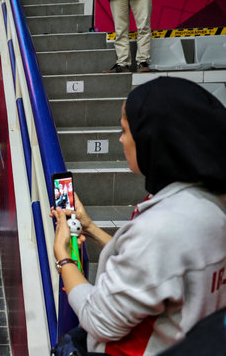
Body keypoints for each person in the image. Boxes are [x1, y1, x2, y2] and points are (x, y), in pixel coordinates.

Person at [51, 76, 226, 355]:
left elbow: (99, 320)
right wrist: (92, 228)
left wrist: (64, 257)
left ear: (152, 139)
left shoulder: (163, 227)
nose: (121, 139)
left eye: (125, 130)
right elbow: (155, 272)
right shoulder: (209, 203)